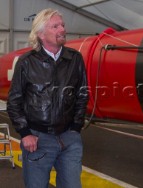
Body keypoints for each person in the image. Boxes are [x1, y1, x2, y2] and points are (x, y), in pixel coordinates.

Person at [7, 8, 89, 188]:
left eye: (62, 25)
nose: (62, 30)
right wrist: (25, 133)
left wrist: (76, 127)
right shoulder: (27, 62)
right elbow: (14, 101)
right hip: (37, 140)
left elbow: (82, 93)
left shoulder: (74, 59)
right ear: (41, 34)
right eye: (55, 26)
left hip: (69, 138)